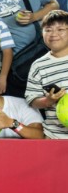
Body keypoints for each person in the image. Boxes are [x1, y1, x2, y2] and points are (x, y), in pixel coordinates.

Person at [25, 9, 68, 139]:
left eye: (60, 30)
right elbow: (31, 99)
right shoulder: (38, 65)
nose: (53, 34)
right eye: (48, 30)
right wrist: (48, 101)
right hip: (54, 136)